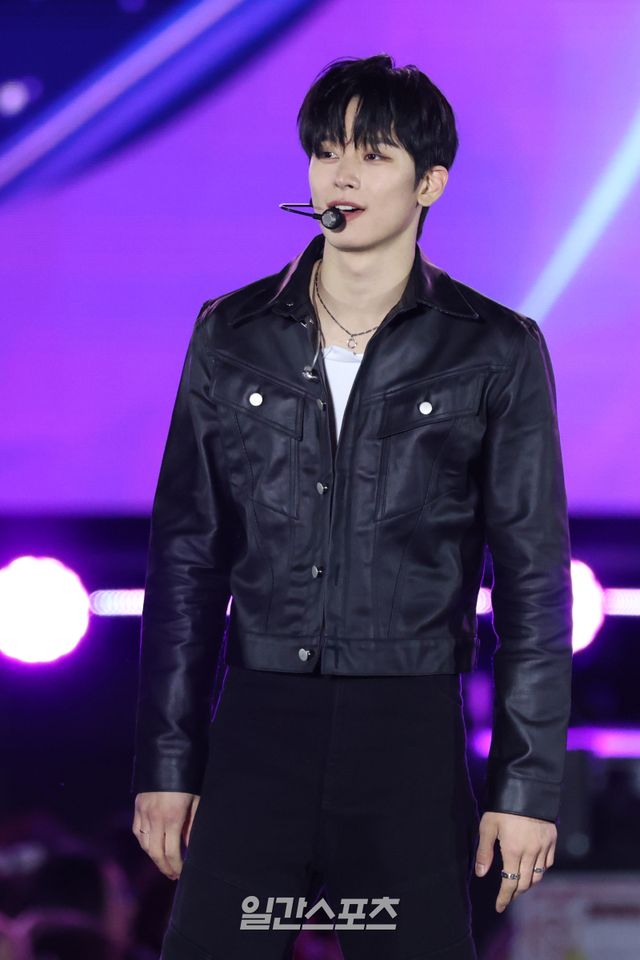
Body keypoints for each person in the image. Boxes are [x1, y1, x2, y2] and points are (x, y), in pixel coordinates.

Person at [130, 54, 573, 959]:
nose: (342, 175)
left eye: (373, 155)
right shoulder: (232, 333)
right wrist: (168, 762)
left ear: (429, 183)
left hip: (408, 734)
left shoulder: (495, 349)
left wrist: (525, 786)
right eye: (326, 151)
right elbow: (186, 562)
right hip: (258, 724)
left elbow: (534, 582)